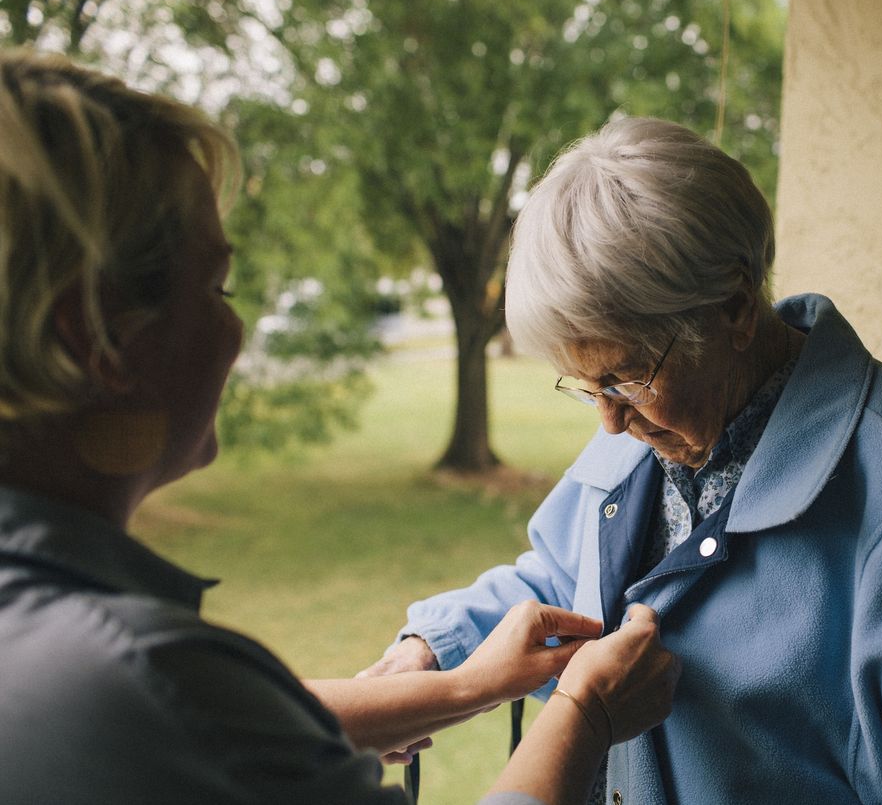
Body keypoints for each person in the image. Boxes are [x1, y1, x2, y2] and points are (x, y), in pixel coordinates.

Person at [0, 50, 679, 805]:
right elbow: (184, 716)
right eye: (217, 287)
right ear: (100, 338)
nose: (238, 330)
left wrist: (457, 682)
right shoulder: (136, 678)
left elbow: (218, 732)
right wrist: (583, 713)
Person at [362, 117, 882, 803]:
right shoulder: (660, 414)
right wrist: (436, 648)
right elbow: (559, 581)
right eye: (585, 386)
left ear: (737, 309)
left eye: (622, 377)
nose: (609, 422)